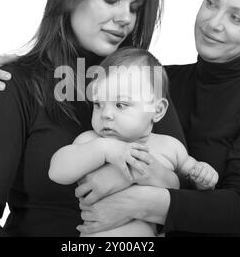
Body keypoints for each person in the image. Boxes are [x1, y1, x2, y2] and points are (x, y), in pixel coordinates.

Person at [0, 0, 240, 236]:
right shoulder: (154, 80)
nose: (213, 22)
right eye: (212, 2)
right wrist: (12, 84)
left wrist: (138, 202)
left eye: (237, 17)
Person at [0, 0, 187, 236]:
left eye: (135, 7)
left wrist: (138, 177)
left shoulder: (145, 80)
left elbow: (189, 201)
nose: (126, 18)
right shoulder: (11, 85)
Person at [49, 47, 218, 236]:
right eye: (98, 104)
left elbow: (191, 183)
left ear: (158, 111)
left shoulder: (170, 147)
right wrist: (104, 150)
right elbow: (57, 172)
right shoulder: (93, 141)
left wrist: (204, 178)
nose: (105, 114)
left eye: (121, 104)